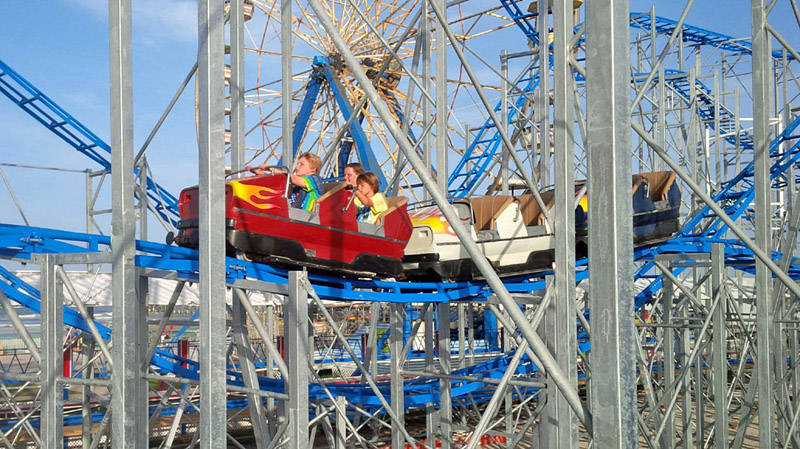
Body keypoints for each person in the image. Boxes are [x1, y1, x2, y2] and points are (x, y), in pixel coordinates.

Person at [247, 152, 323, 211]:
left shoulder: (315, 180)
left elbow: (293, 178)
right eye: (297, 164)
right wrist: (260, 174)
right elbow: (278, 182)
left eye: (301, 164)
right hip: (294, 214)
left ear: (313, 169)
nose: (297, 166)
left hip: (306, 217)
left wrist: (270, 168)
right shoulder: (296, 184)